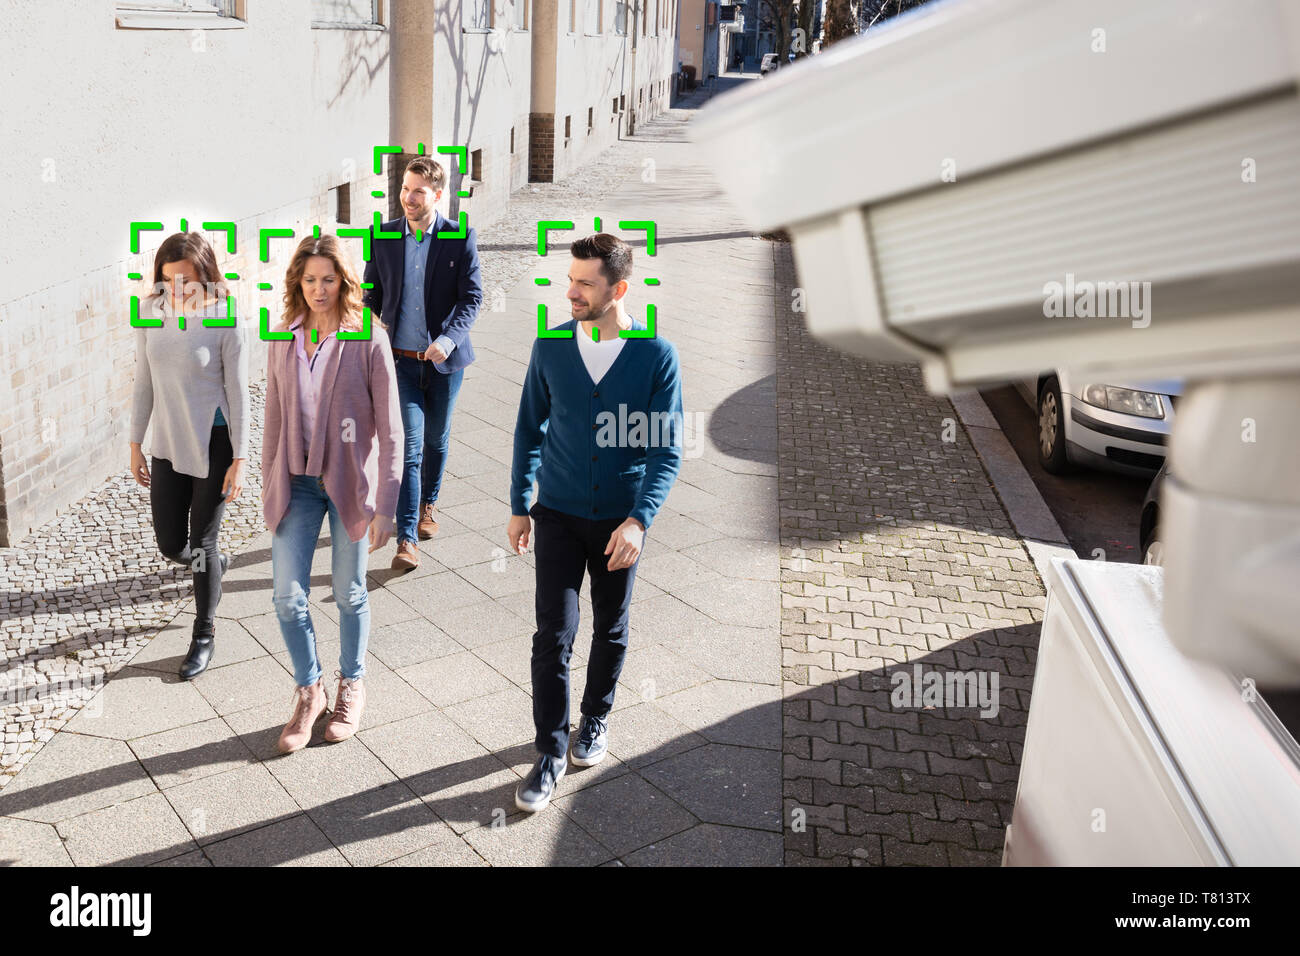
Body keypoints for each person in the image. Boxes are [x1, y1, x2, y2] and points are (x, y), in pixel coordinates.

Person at [507, 234, 684, 812]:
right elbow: (528, 428)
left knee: (610, 627)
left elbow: (666, 450)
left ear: (619, 289)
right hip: (555, 512)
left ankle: (595, 720)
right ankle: (550, 753)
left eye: (585, 282)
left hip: (618, 520)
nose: (572, 291)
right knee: (552, 636)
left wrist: (639, 520)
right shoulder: (550, 346)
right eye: (571, 279)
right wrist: (518, 503)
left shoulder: (655, 354)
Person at [262, 234, 402, 754]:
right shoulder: (282, 336)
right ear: (298, 281)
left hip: (349, 485)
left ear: (345, 282)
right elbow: (274, 416)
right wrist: (268, 483)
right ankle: (308, 691)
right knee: (286, 596)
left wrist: (388, 503)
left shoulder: (369, 337)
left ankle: (352, 686)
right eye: (309, 279)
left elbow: (392, 430)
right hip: (295, 486)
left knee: (348, 591)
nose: (319, 289)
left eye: (328, 279)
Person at [129, 232, 249, 680]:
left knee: (202, 542)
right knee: (170, 544)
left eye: (186, 280)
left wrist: (242, 458)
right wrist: (134, 443)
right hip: (167, 440)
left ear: (206, 275)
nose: (176, 289)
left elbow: (239, 392)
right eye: (167, 280)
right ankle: (212, 567)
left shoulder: (225, 317)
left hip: (215, 441)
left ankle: (204, 633)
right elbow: (143, 380)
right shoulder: (148, 313)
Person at [363, 156, 483, 571]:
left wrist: (449, 340)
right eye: (404, 189)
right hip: (400, 362)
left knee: (436, 439)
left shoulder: (458, 236)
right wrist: (372, 320)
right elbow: (370, 290)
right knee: (409, 447)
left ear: (436, 194)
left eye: (417, 191)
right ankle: (407, 537)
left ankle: (429, 502)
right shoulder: (383, 235)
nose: (407, 198)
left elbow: (472, 298)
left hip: (445, 363)